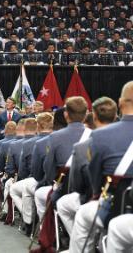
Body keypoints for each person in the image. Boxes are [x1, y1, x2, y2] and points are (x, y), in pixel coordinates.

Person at [69, 81, 133, 253]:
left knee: (83, 215)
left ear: (120, 103)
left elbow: (96, 184)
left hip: (117, 208)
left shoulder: (100, 136)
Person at [56, 97, 117, 236]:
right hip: (124, 203)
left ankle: (78, 242)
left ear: (93, 116)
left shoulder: (83, 147)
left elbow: (77, 186)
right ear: (115, 116)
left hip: (98, 202)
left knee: (64, 204)